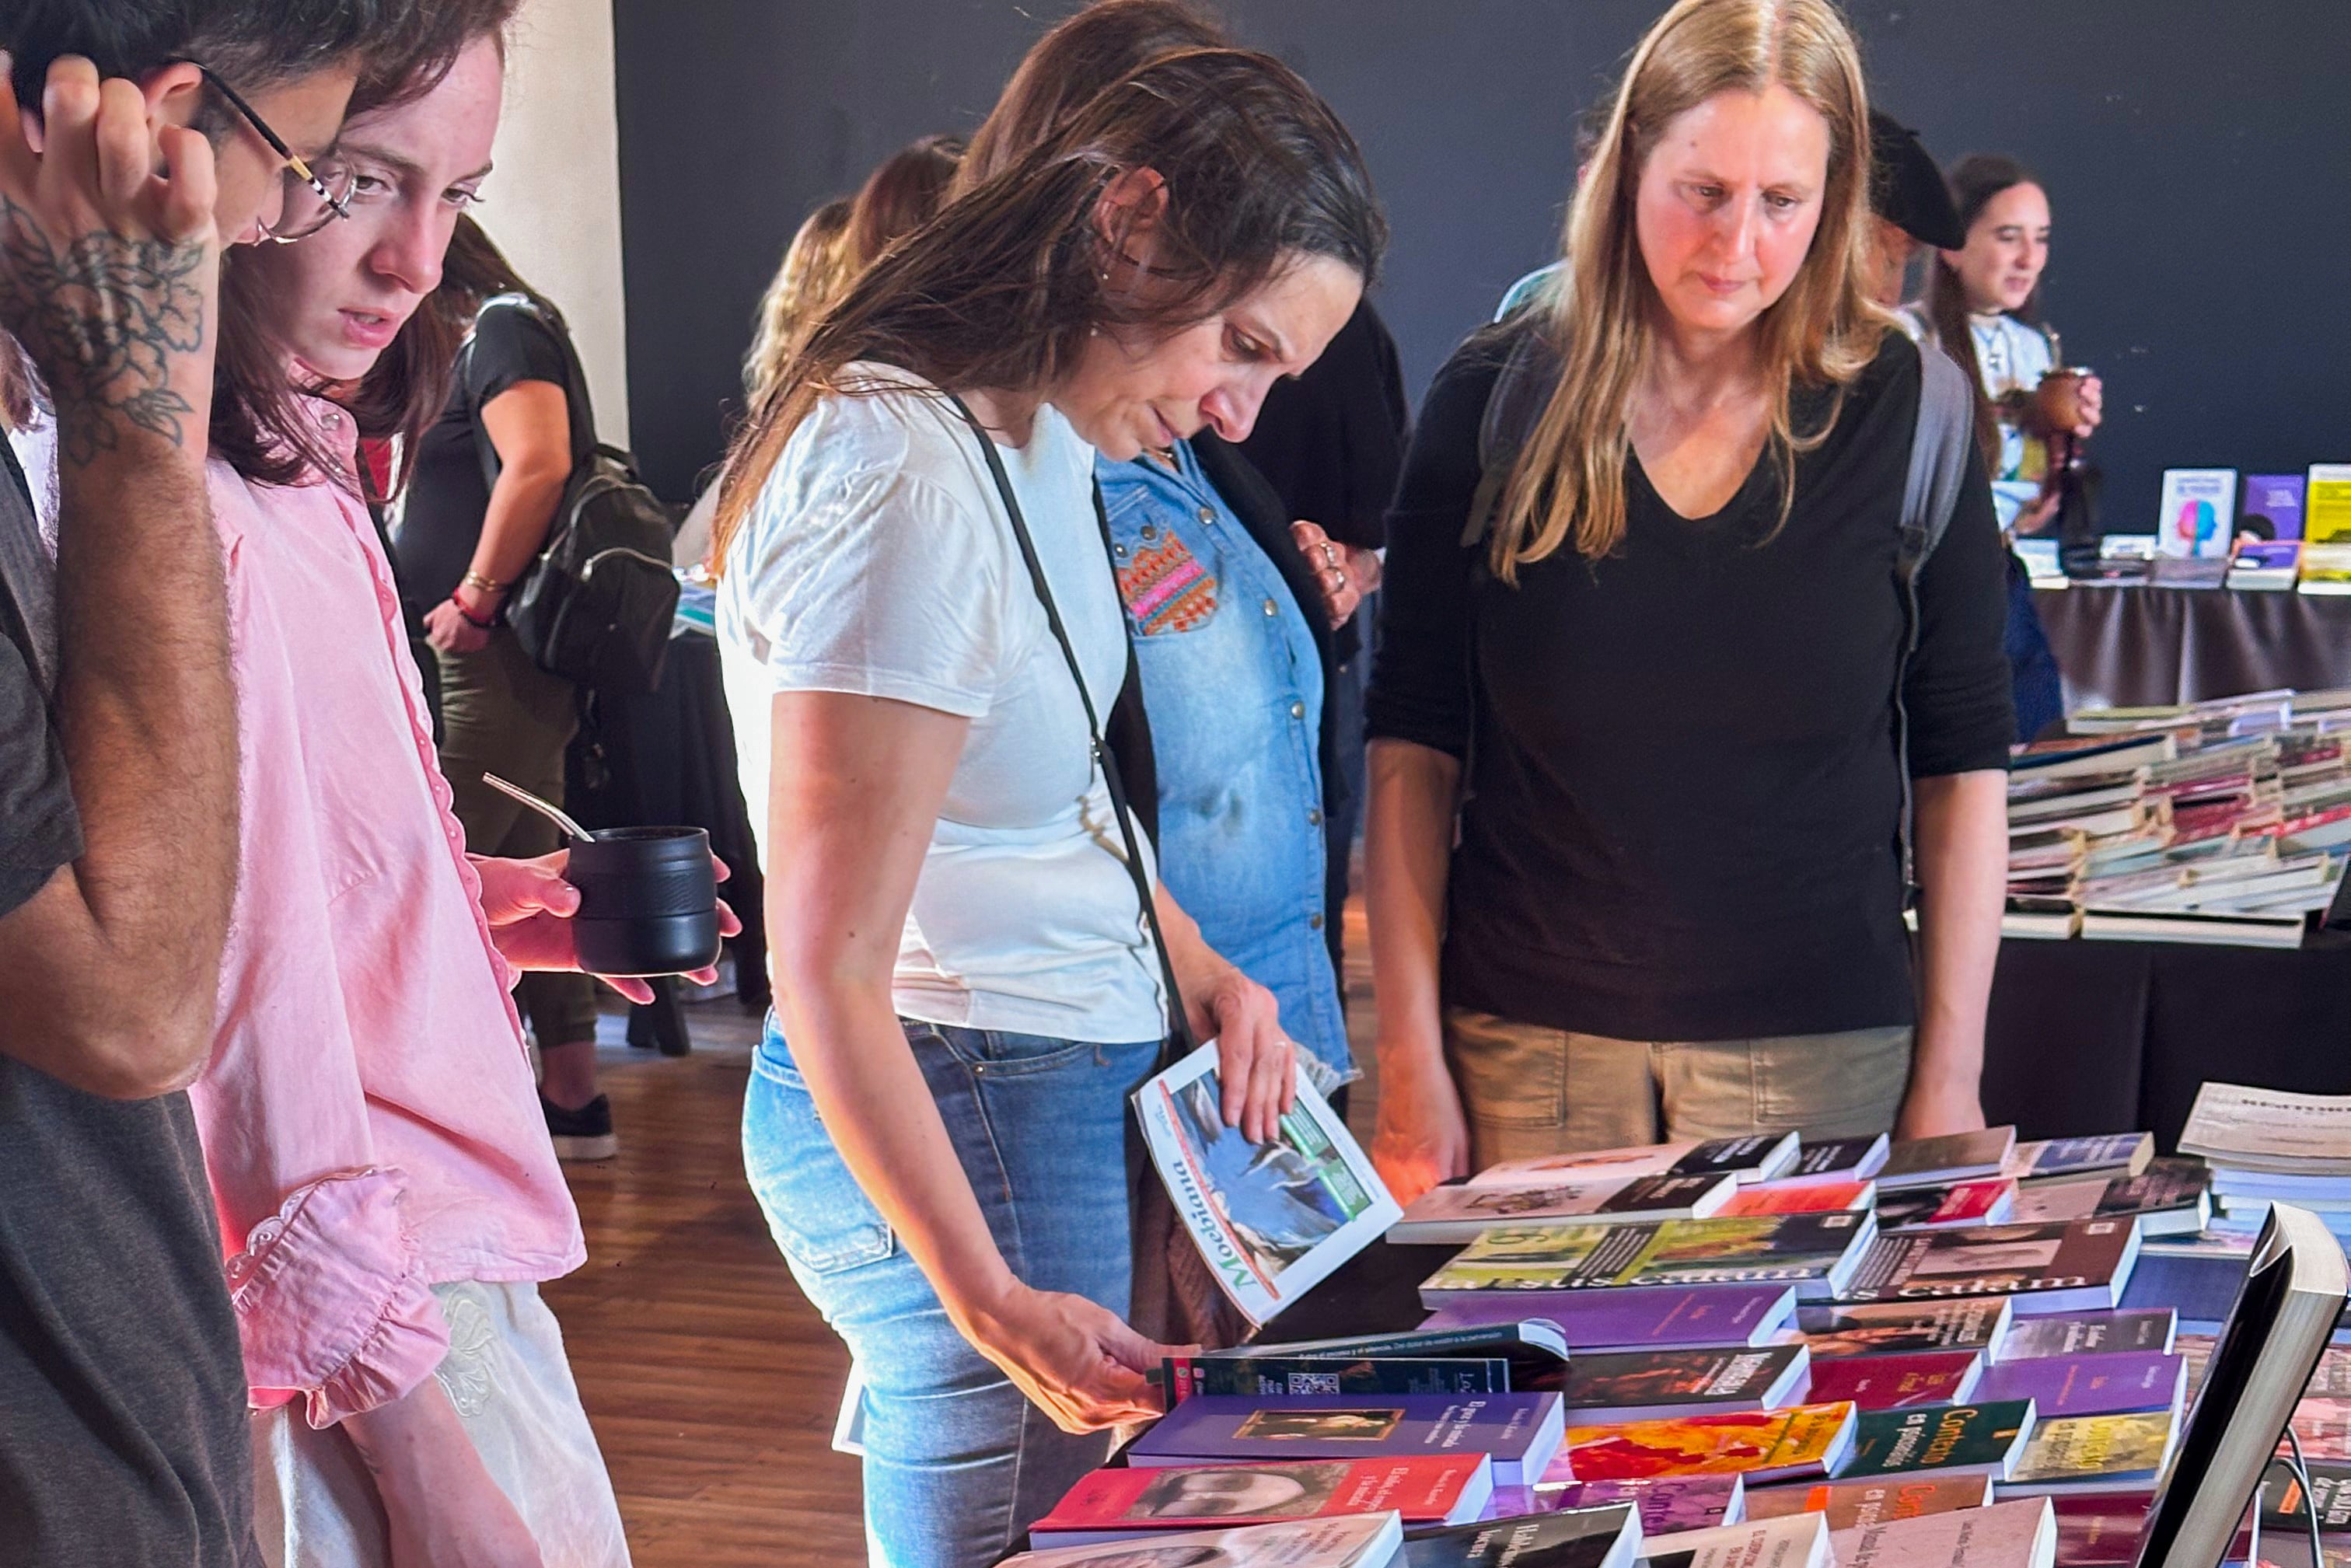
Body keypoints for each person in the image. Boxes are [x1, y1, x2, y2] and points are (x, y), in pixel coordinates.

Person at [714, 45, 1380, 1568]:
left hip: (1033, 1083)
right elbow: (825, 968)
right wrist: (986, 1295)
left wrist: (1205, 969)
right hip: (967, 1091)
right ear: (1127, 222)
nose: (1238, 414)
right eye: (1240, 344)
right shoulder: (897, 469)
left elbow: (1065, 784)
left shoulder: (1032, 432)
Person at [199, 26, 736, 1563]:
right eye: (363, 178)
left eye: (458, 195)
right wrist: (416, 1446)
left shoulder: (296, 464)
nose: (417, 259)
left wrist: (485, 913)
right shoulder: (198, 516)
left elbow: (318, 895)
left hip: (421, 1275)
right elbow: (242, 1011)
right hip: (361, 1331)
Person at [1366, 0, 2013, 1207]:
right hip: (1532, 1052)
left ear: (1835, 202)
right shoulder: (1495, 397)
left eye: (1783, 201)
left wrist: (1951, 1077)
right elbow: (1412, 749)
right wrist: (1409, 1066)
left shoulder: (1909, 409)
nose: (1738, 244)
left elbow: (1963, 763)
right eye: (1702, 191)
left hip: (1826, 1052)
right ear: (1626, 171)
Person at [0, 4, 396, 1560]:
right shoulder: (107, 426)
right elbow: (129, 1005)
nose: (275, 223)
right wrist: (139, 408)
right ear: (162, 126)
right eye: (302, 167)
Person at [953, 0, 1357, 1076]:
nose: (1240, 410)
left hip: (1261, 1017)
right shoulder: (998, 456)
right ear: (1119, 213)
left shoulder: (1176, 438)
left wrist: (1286, 597)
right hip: (1141, 1035)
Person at [388, 212, 617, 1158]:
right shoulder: (491, 331)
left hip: (494, 646)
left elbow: (539, 462)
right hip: (491, 648)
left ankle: (439, 1104)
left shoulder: (501, 325)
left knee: (449, 859)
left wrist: (474, 599)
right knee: (530, 861)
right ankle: (573, 1097)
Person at [1926, 154, 2104, 539]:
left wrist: (2063, 436)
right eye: (2008, 237)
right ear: (1951, 246)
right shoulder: (1909, 339)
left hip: (2009, 550)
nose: (2029, 259)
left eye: (2040, 239)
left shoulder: (2033, 347)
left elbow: (2031, 482)